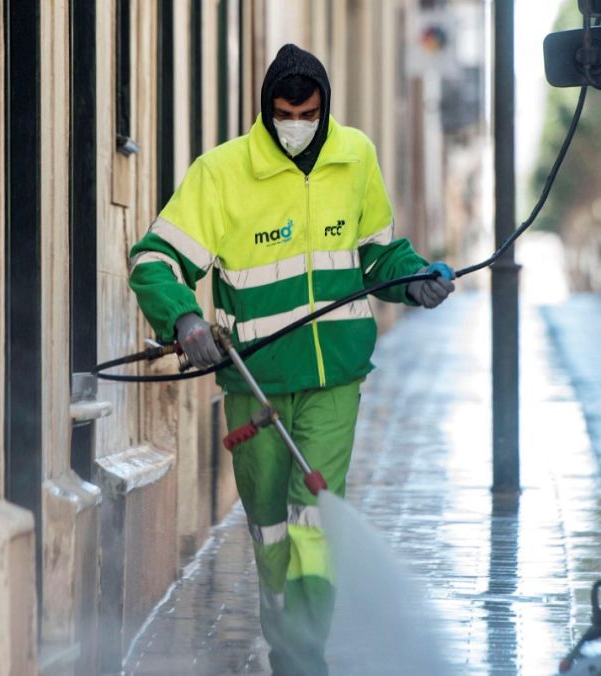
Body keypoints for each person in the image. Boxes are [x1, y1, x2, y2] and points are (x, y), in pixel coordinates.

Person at [126, 43, 453, 675]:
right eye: (284, 113)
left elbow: (378, 257)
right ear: (266, 110)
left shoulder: (355, 158)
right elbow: (153, 260)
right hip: (256, 385)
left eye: (307, 113)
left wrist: (414, 279)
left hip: (335, 380)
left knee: (316, 527)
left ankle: (306, 661)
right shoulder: (222, 174)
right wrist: (184, 316)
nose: (296, 125)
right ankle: (289, 654)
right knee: (271, 533)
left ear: (325, 110)